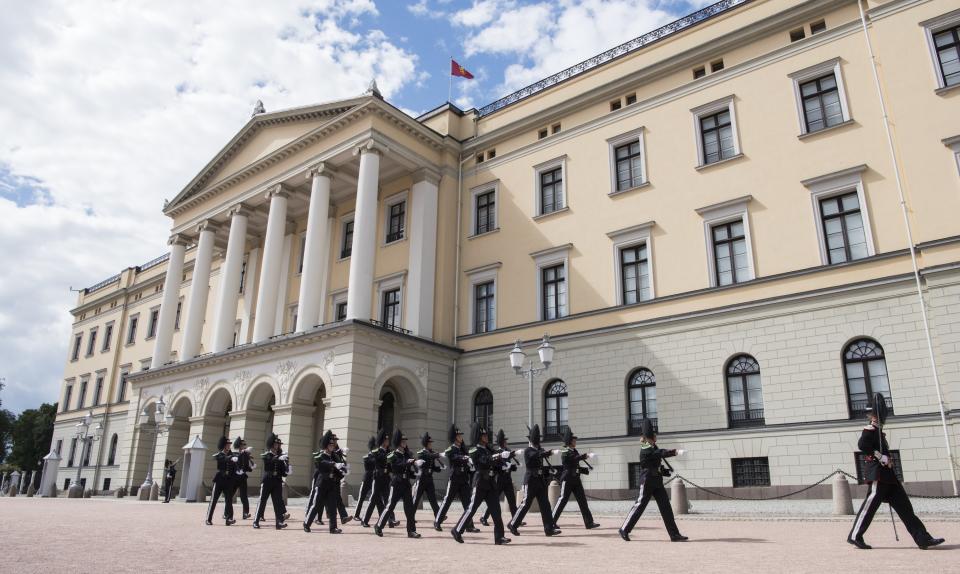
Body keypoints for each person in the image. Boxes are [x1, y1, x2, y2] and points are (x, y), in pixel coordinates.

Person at [848, 399, 945, 550]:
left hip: (889, 477)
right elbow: (862, 445)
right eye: (873, 414)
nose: (876, 416)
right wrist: (880, 457)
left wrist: (887, 459)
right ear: (871, 416)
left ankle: (922, 538)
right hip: (878, 475)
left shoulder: (879, 432)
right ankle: (855, 536)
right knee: (869, 508)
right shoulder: (869, 430)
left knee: (906, 508)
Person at [619, 419, 687, 542]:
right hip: (647, 481)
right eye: (654, 435)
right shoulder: (646, 448)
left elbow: (655, 463)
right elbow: (659, 454)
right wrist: (675, 452)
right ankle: (624, 529)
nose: (656, 436)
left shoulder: (652, 446)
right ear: (650, 437)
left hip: (656, 481)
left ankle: (674, 534)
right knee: (639, 506)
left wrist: (664, 472)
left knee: (666, 507)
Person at [451, 423, 510, 545]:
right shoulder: (474, 450)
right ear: (479, 436)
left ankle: (499, 537)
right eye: (483, 435)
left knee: (496, 511)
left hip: (491, 482)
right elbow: (483, 461)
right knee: (471, 509)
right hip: (480, 482)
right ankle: (457, 529)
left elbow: (494, 462)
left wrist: (505, 463)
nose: (486, 436)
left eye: (486, 434)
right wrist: (497, 456)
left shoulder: (487, 449)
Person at [508, 424, 561, 537]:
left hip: (540, 481)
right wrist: (548, 452)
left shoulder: (539, 449)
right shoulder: (528, 450)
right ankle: (513, 524)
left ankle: (549, 529)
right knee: (526, 504)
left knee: (545, 505)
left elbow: (541, 455)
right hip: (531, 481)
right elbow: (536, 455)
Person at [375, 429, 422, 538]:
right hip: (396, 483)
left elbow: (408, 471)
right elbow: (397, 466)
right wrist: (409, 462)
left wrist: (416, 474)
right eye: (403, 441)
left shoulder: (406, 455)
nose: (405, 443)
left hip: (406, 484)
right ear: (398, 442)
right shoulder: (393, 455)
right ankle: (378, 526)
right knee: (390, 506)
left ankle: (411, 531)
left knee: (409, 508)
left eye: (405, 441)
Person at [551, 427, 600, 530]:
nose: (575, 441)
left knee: (583, 501)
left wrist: (585, 470)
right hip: (567, 478)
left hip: (576, 479)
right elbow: (572, 460)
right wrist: (585, 456)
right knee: (562, 500)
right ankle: (551, 522)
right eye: (574, 440)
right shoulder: (564, 450)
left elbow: (575, 465)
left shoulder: (574, 450)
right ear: (569, 441)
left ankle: (589, 522)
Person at [435, 424, 478, 533]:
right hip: (454, 478)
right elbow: (455, 458)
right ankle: (437, 521)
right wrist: (465, 458)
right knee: (447, 501)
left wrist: (471, 466)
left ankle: (469, 525)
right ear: (455, 438)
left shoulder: (463, 449)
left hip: (463, 479)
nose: (461, 437)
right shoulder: (451, 449)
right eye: (459, 436)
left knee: (467, 503)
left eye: (460, 435)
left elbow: (467, 460)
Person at [303, 430, 347, 533]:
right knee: (316, 505)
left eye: (333, 445)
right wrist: (333, 464)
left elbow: (339, 468)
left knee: (332, 507)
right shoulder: (320, 455)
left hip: (331, 484)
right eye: (330, 445)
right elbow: (321, 464)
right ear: (326, 445)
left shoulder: (334, 456)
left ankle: (333, 527)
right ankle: (306, 523)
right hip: (322, 484)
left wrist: (342, 471)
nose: (332, 446)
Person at [481, 430, 518, 527]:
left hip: (507, 479)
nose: (506, 442)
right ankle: (484, 517)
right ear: (501, 442)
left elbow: (508, 464)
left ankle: (516, 520)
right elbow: (495, 466)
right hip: (499, 479)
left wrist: (512, 467)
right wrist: (502, 467)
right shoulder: (497, 452)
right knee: (494, 500)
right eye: (505, 441)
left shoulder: (507, 451)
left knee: (512, 501)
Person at [362, 429, 398, 528]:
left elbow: (391, 464)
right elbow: (376, 461)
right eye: (386, 440)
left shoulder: (389, 451)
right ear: (382, 441)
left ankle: (391, 520)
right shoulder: (376, 451)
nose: (388, 442)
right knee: (373, 499)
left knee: (388, 500)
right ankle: (365, 520)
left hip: (386, 478)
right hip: (378, 478)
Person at [253, 433, 289, 530]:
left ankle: (279, 522)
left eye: (278, 444)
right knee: (262, 501)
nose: (278, 446)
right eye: (276, 444)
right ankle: (256, 521)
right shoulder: (267, 455)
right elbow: (269, 463)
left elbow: (283, 473)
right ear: (272, 445)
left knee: (277, 502)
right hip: (267, 481)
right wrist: (278, 458)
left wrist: (287, 468)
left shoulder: (280, 456)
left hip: (277, 481)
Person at [206, 436, 238, 526]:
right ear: (224, 446)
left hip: (229, 480)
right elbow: (222, 459)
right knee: (214, 500)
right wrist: (230, 458)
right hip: (220, 480)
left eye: (229, 444)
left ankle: (229, 519)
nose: (229, 446)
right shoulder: (219, 455)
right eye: (227, 444)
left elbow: (235, 466)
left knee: (228, 500)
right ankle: (208, 518)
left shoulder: (233, 455)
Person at [413, 432, 443, 524]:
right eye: (429, 443)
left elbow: (432, 466)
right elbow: (428, 456)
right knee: (416, 499)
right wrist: (437, 455)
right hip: (421, 478)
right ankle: (411, 516)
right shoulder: (422, 453)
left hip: (429, 479)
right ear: (426, 444)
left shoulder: (431, 453)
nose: (431, 444)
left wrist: (439, 468)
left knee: (433, 499)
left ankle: (438, 516)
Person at [354, 436, 378, 522]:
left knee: (377, 498)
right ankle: (356, 515)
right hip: (367, 479)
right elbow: (371, 463)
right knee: (361, 498)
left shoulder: (376, 456)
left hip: (374, 479)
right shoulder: (367, 457)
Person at [234, 436, 254, 519]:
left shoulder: (246, 455)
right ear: (239, 446)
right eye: (243, 444)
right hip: (235, 477)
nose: (245, 445)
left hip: (242, 477)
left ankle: (245, 513)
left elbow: (247, 466)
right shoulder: (235, 454)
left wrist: (251, 466)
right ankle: (226, 513)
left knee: (244, 496)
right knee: (230, 495)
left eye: (245, 444)